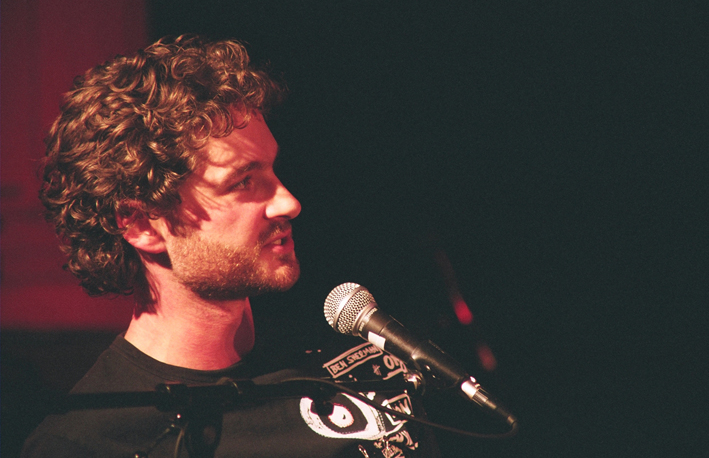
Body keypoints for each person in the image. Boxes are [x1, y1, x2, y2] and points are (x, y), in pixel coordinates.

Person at [22, 35, 440, 458]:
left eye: (273, 170)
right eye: (243, 182)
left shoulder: (361, 364)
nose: (289, 202)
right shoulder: (86, 443)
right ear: (142, 225)